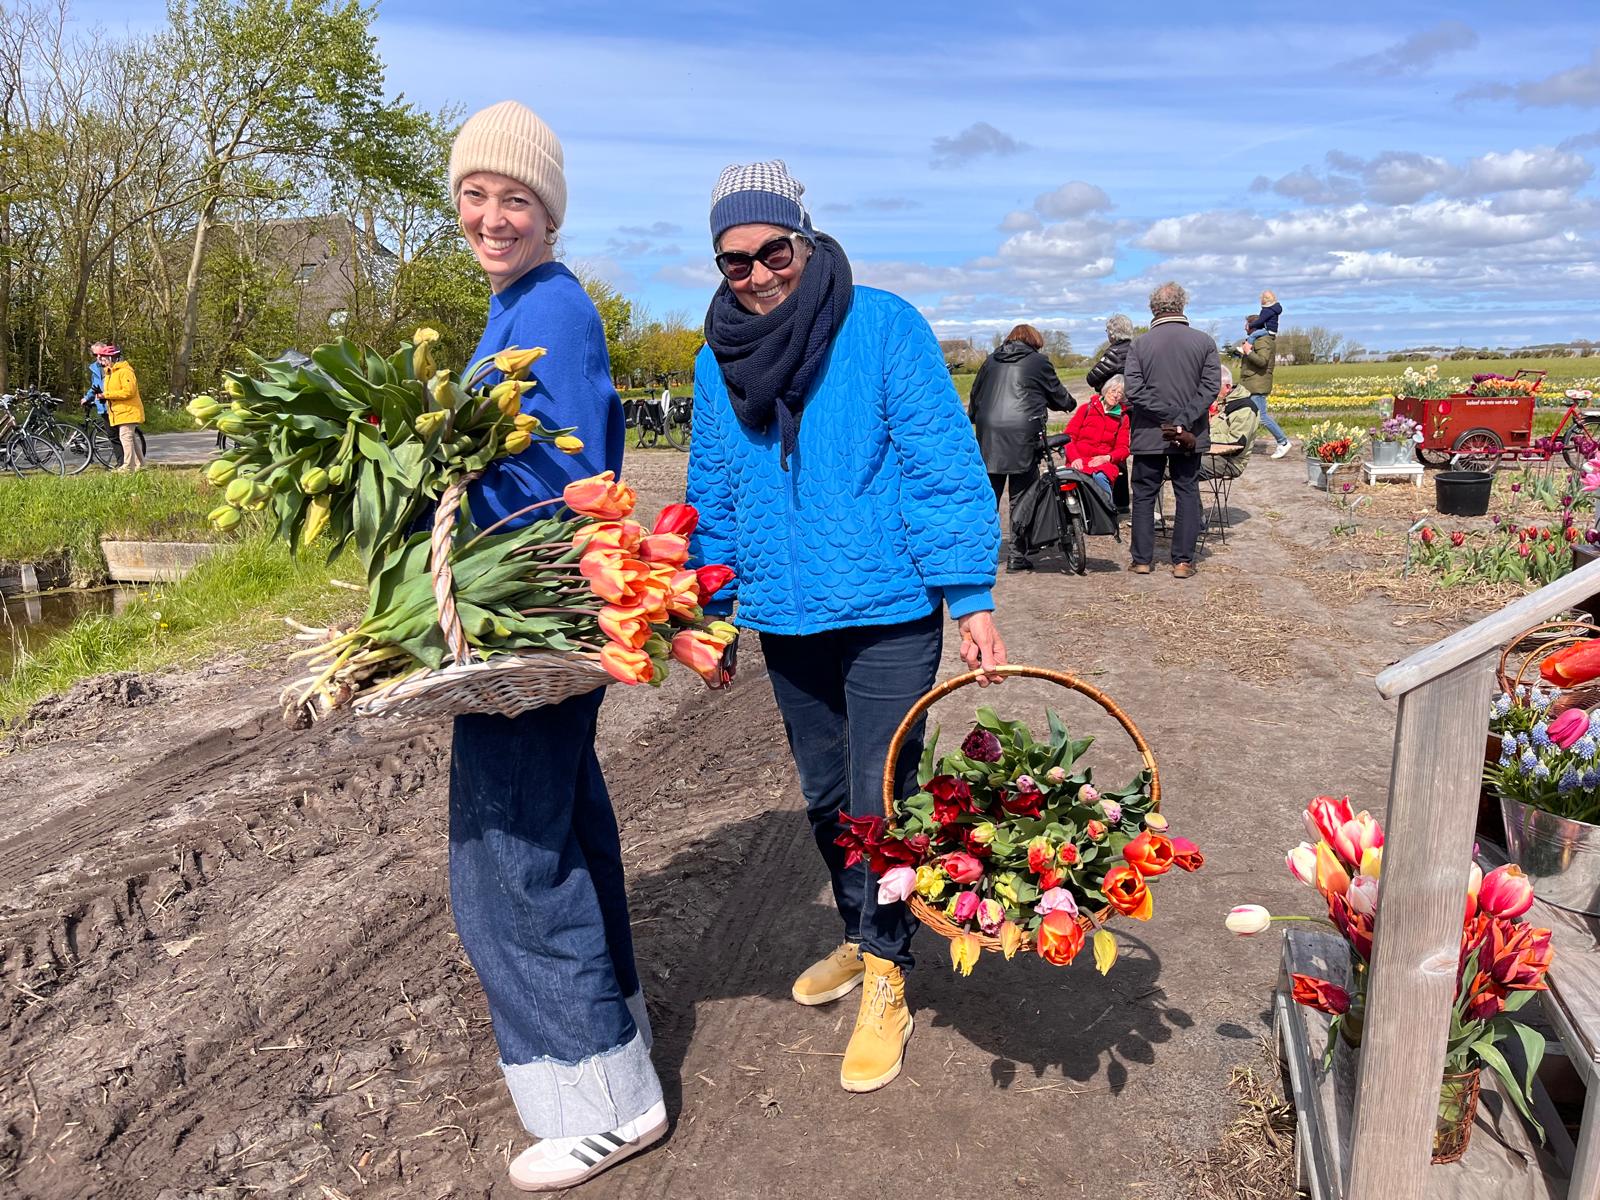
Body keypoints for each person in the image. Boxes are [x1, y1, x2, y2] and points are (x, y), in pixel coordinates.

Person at [686, 159, 1006, 1097]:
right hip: (788, 614)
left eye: (771, 251)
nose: (756, 276)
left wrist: (970, 594)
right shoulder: (717, 359)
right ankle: (859, 931)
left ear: (805, 238)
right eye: (733, 263)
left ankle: (888, 971)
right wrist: (709, 611)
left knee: (876, 796)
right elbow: (713, 493)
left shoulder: (882, 326)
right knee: (825, 797)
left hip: (888, 610)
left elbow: (941, 465)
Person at [443, 99, 658, 1193]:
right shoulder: (518, 304)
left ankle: (602, 1099)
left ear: (549, 211)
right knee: (559, 823)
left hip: (529, 614)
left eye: (514, 197)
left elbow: (553, 475)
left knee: (505, 858)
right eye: (475, 195)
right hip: (542, 609)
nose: (491, 214)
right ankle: (613, 1046)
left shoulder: (551, 308)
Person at [1124, 281, 1218, 579]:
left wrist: (1169, 418)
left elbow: (1134, 390)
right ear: (1182, 305)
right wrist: (1183, 419)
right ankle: (1182, 562)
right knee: (1187, 492)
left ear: (1153, 308)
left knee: (1143, 495)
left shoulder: (1139, 345)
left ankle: (1141, 560)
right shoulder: (1204, 342)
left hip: (1150, 434)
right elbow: (1210, 388)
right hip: (1190, 434)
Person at [967, 324, 1073, 571]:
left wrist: (975, 417)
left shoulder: (991, 360)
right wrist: (1069, 403)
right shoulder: (1039, 362)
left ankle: (980, 554)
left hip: (989, 434)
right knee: (1022, 495)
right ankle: (1017, 555)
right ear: (1034, 342)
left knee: (988, 496)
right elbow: (1057, 395)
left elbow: (976, 394)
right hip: (1022, 435)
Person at [1057, 373, 1130, 496]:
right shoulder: (1086, 408)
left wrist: (1107, 458)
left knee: (1100, 478)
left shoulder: (1123, 418)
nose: (1116, 395)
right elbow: (1069, 437)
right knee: (1070, 482)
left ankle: (1106, 512)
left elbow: (1123, 449)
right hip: (1079, 459)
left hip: (1103, 463)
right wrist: (1074, 458)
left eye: (1120, 393)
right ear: (1106, 390)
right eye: (1113, 390)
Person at [1235, 320, 1290, 459]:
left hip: (1257, 385)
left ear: (1252, 326)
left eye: (1246, 324)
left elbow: (1262, 361)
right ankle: (1243, 444)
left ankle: (1283, 442)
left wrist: (1248, 352)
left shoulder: (1262, 340)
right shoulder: (1258, 340)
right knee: (1249, 415)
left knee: (1262, 417)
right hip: (1252, 383)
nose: (1244, 327)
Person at [1201, 367, 1261, 483]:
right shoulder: (1223, 403)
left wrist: (1203, 439)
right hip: (1211, 453)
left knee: (1178, 467)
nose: (1210, 391)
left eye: (1214, 387)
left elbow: (1237, 442)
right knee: (1164, 461)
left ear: (1227, 387)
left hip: (1231, 461)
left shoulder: (1245, 408)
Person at [97, 344, 144, 471]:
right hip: (119, 412)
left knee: (125, 437)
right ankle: (139, 464)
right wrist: (102, 396)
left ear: (112, 358)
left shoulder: (125, 372)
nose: (102, 361)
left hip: (128, 411)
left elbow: (129, 391)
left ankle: (128, 466)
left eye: (104, 358)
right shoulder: (110, 373)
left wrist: (106, 395)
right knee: (131, 439)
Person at [82, 341, 122, 467]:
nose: (98, 357)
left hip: (115, 404)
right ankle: (121, 463)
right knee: (112, 436)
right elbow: (95, 386)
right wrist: (87, 397)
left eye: (100, 354)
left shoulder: (115, 366)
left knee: (122, 436)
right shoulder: (94, 368)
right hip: (103, 405)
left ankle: (127, 463)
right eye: (95, 355)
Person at [1085, 313, 1135, 392]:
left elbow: (1091, 379)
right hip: (1138, 396)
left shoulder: (1115, 353)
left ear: (1112, 334)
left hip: (1119, 399)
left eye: (1107, 331)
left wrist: (1101, 384)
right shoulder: (1138, 348)